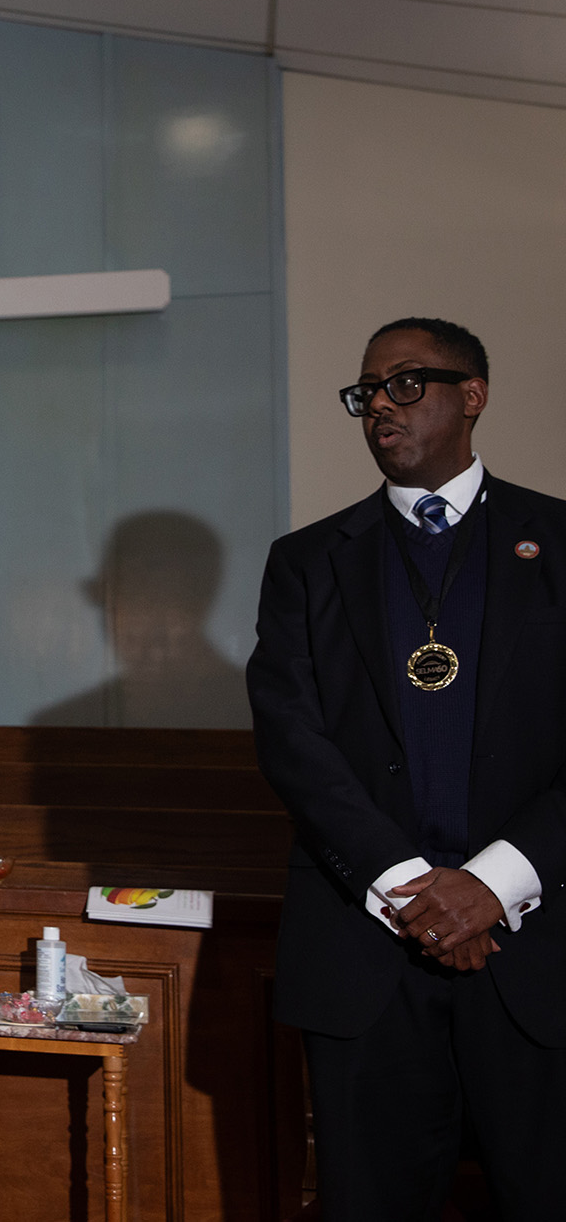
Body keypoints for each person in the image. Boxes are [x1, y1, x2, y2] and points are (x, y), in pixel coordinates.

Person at [247, 318, 566, 1220]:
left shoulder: (559, 543)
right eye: (366, 392)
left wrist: (495, 884)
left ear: (474, 396)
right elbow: (291, 741)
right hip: (366, 953)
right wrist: (416, 891)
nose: (380, 406)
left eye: (406, 383)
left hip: (535, 954)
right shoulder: (307, 562)